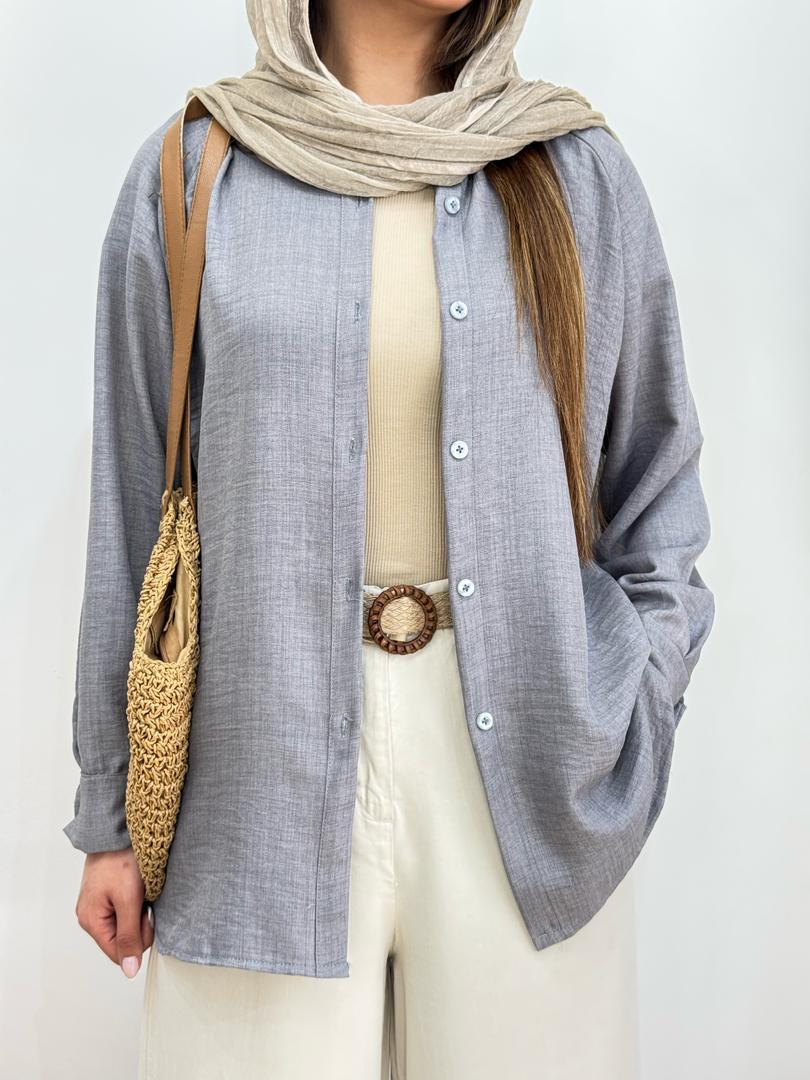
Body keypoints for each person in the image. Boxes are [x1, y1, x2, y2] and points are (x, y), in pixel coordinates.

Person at [64, 0, 715, 1076]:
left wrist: (635, 691)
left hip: (532, 762)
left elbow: (657, 481)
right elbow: (132, 503)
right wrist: (111, 811)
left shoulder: (571, 170)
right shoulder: (195, 168)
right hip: (254, 771)